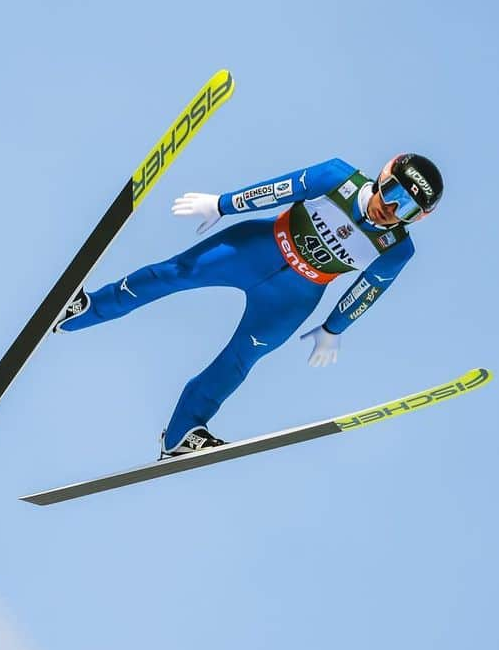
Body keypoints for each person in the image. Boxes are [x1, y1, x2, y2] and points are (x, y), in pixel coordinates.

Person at [53, 153, 444, 456]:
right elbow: (281, 189)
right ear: (382, 176)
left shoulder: (396, 249)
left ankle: (182, 434)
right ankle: (83, 311)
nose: (390, 209)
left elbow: (368, 290)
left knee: (240, 359)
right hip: (256, 247)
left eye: (406, 209)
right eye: (391, 192)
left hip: (293, 297)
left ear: (418, 219)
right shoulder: (338, 177)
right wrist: (222, 204)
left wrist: (332, 330)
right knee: (173, 274)